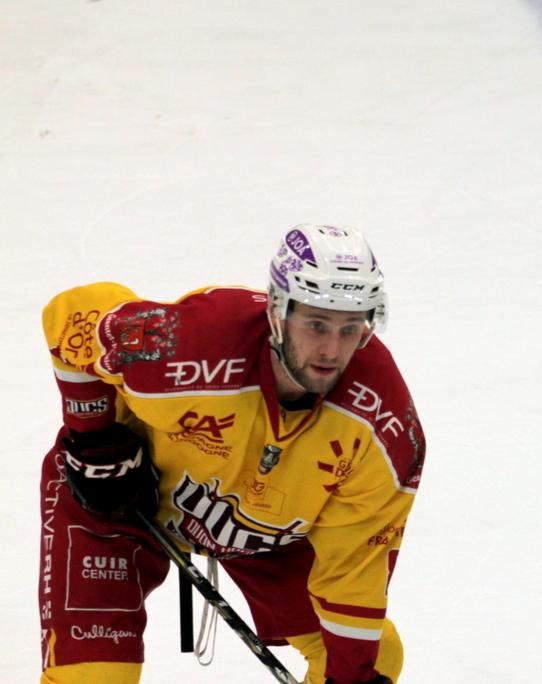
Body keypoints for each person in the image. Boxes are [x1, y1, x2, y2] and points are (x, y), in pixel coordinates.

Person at [39, 224, 425, 684]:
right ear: (278, 311)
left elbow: (355, 570)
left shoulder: (384, 426)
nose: (331, 350)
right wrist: (94, 439)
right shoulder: (190, 343)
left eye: (350, 329)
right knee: (94, 678)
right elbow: (74, 315)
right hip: (117, 499)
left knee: (371, 659)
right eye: (316, 324)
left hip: (263, 533)